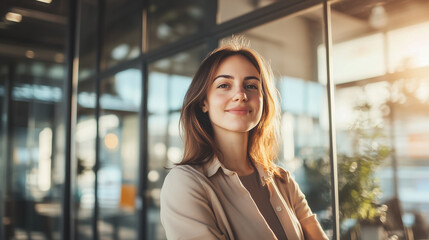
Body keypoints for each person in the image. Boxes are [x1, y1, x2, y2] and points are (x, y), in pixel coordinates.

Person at [160, 42, 328, 240]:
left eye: (251, 86)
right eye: (224, 85)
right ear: (204, 102)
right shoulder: (186, 182)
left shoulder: (283, 180)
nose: (240, 95)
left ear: (262, 101)